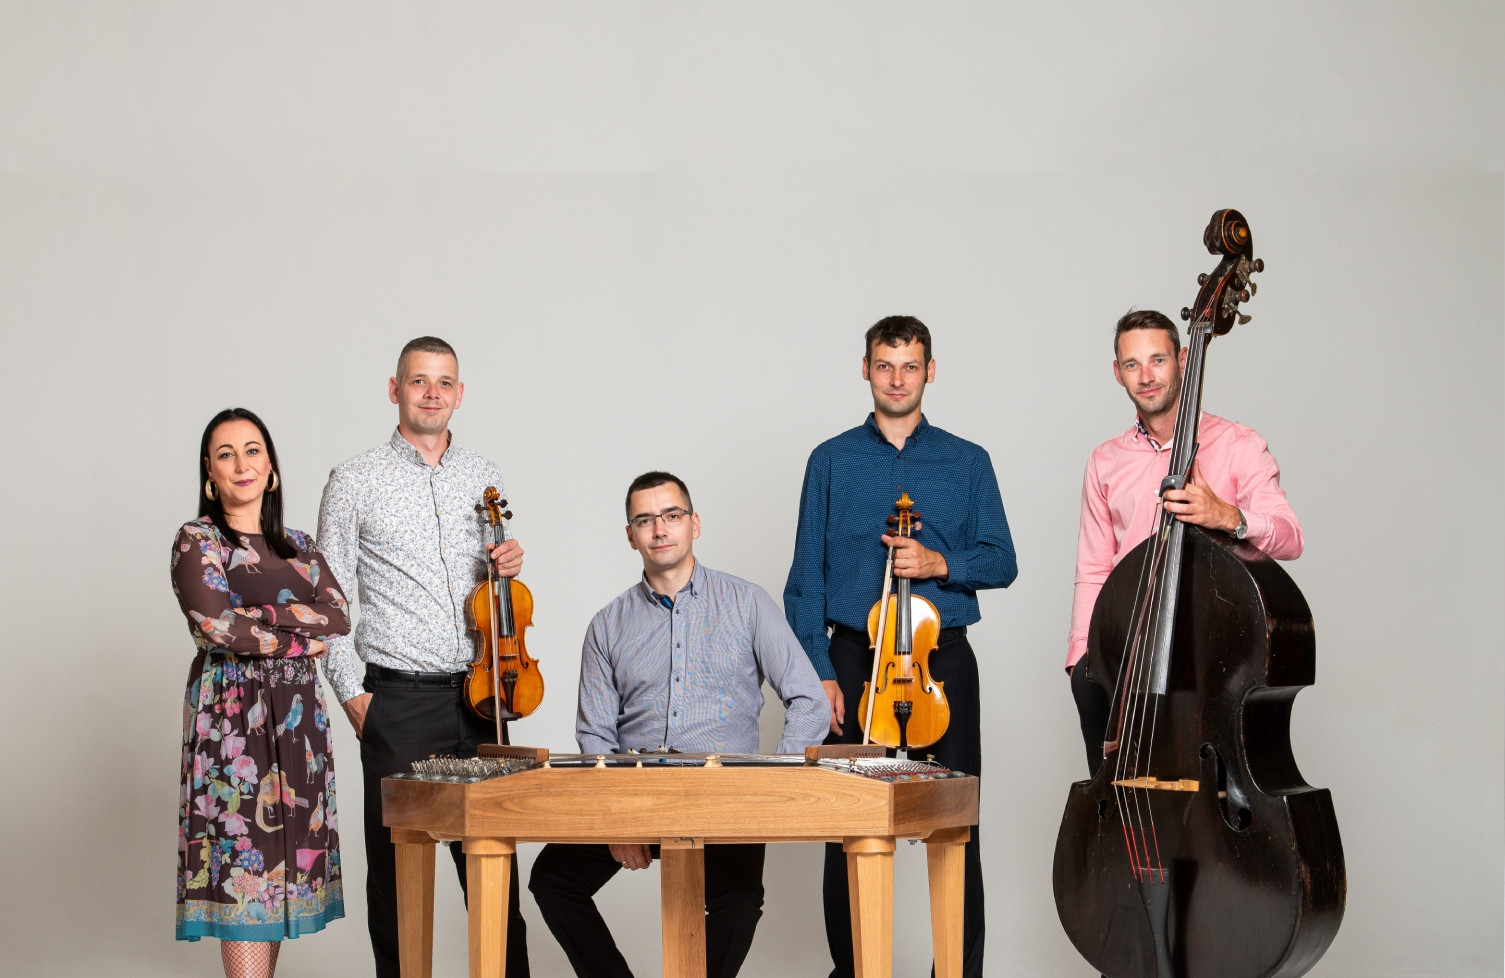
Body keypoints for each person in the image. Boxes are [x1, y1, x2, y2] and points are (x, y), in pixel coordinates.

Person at [784, 316, 1017, 978]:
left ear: (929, 372)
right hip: (854, 660)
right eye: (884, 366)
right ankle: (854, 970)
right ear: (865, 369)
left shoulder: (967, 461)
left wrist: (940, 563)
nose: (896, 379)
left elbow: (1001, 561)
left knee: (957, 825)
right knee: (849, 826)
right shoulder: (830, 460)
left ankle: (959, 972)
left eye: (909, 366)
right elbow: (803, 582)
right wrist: (820, 673)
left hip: (941, 659)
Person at [528, 471, 829, 978]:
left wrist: (771, 785)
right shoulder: (607, 624)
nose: (660, 529)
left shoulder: (748, 603)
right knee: (552, 880)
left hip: (725, 796)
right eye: (645, 520)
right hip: (636, 792)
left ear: (694, 524)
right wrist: (619, 820)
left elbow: (809, 699)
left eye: (671, 515)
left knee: (739, 901)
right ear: (631, 536)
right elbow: (595, 735)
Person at [316, 337, 530, 978]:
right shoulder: (354, 480)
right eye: (419, 381)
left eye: (444, 383)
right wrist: (356, 698)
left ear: (459, 394)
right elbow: (327, 598)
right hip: (398, 701)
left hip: (480, 699)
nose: (432, 394)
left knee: (496, 877)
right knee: (396, 883)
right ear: (395, 390)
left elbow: (492, 598)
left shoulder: (484, 475)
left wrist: (507, 564)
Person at [1068, 309, 1304, 774]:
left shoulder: (1238, 444)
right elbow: (1094, 567)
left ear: (1182, 359)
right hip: (1128, 652)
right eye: (1132, 364)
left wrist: (1228, 516)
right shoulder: (1105, 460)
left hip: (1213, 653)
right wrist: (1081, 659)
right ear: (1117, 373)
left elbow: (1290, 537)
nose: (1146, 376)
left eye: (1158, 360)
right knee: (1118, 791)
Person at [172, 407, 351, 978]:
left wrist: (261, 615)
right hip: (234, 729)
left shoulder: (300, 544)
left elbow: (338, 615)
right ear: (210, 474)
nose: (241, 463)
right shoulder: (198, 539)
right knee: (246, 872)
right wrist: (299, 639)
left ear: (270, 467)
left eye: (252, 450)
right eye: (225, 454)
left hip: (299, 731)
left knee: (280, 879)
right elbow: (217, 626)